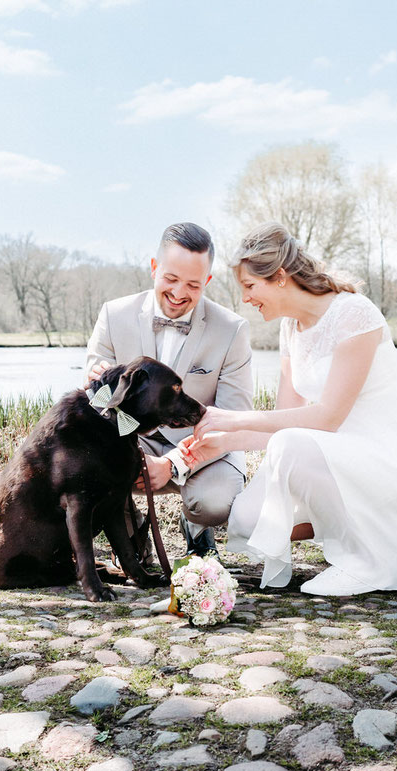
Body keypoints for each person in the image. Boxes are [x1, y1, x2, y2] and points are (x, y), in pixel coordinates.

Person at [180, 223, 397, 596]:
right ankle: (362, 530)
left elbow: (327, 417)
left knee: (290, 449)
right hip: (340, 457)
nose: (246, 300)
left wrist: (232, 417)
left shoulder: (353, 314)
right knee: (247, 520)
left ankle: (371, 561)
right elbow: (284, 420)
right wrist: (225, 441)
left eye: (250, 287)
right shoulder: (291, 330)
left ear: (280, 277)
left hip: (393, 457)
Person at [85, 222, 252, 559]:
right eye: (171, 279)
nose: (179, 293)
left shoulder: (233, 330)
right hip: (132, 435)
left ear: (206, 281)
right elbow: (95, 402)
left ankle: (195, 524)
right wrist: (98, 384)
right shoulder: (113, 314)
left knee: (213, 502)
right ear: (153, 268)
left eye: (192, 284)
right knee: (93, 461)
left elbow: (235, 419)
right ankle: (130, 536)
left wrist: (172, 464)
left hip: (203, 444)